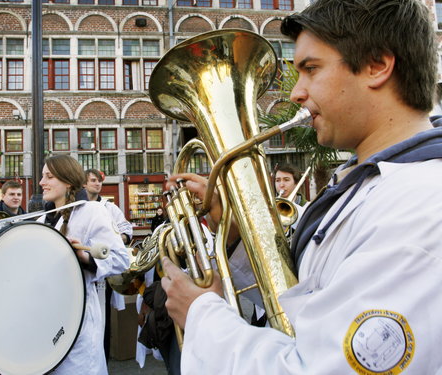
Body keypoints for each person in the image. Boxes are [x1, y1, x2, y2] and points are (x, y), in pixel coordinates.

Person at [160, 1, 442, 374]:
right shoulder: (364, 182)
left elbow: (314, 368)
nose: (297, 93)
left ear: (377, 65)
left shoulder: (418, 207)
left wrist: (201, 314)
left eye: (311, 69)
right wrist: (236, 238)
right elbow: (311, 301)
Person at [37, 155, 129, 375]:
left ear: (68, 181)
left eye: (49, 176)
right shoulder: (43, 220)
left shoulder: (92, 211)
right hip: (47, 321)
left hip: (78, 324)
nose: (41, 182)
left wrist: (85, 258)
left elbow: (120, 259)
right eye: (42, 176)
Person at [83, 168, 133, 362]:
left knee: (103, 321)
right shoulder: (78, 207)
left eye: (99, 181)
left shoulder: (109, 207)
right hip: (84, 269)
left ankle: (102, 360)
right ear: (83, 184)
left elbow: (126, 229)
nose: (97, 184)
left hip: (104, 271)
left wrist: (113, 241)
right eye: (93, 180)